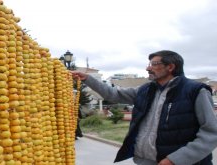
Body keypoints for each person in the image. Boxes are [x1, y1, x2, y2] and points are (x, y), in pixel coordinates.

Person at [71, 50, 217, 165]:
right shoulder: (145, 90)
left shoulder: (195, 91)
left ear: (170, 67)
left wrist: (176, 160)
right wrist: (88, 79)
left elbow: (211, 133)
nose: (148, 68)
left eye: (153, 64)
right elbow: (114, 94)